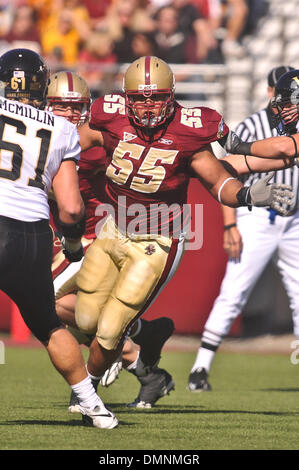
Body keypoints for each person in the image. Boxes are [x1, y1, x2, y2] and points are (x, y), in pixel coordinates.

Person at [70, 55, 293, 421]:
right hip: (113, 227)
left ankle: (87, 390)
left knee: (109, 332)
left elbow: (218, 177)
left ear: (172, 95)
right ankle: (148, 337)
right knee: (84, 318)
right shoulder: (106, 113)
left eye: (156, 97)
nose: (148, 106)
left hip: (158, 236)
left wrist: (248, 195)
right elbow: (69, 148)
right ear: (126, 98)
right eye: (140, 98)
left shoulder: (193, 126)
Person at [0, 48, 117, 429]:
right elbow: (70, 208)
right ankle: (93, 405)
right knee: (48, 325)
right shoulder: (64, 129)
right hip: (33, 233)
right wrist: (70, 244)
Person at [46, 70, 175, 410]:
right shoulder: (46, 137)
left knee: (45, 301)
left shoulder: (89, 144)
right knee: (62, 319)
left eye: (78, 107)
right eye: (62, 106)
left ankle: (127, 344)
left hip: (96, 238)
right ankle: (144, 360)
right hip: (71, 241)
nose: (72, 114)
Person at [187, 65, 299, 391]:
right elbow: (238, 170)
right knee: (234, 291)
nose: (285, 107)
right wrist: (229, 223)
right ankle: (200, 368)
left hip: (293, 219)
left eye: (292, 102)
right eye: (284, 100)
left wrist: (241, 151)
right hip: (260, 217)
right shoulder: (254, 124)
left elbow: (284, 150)